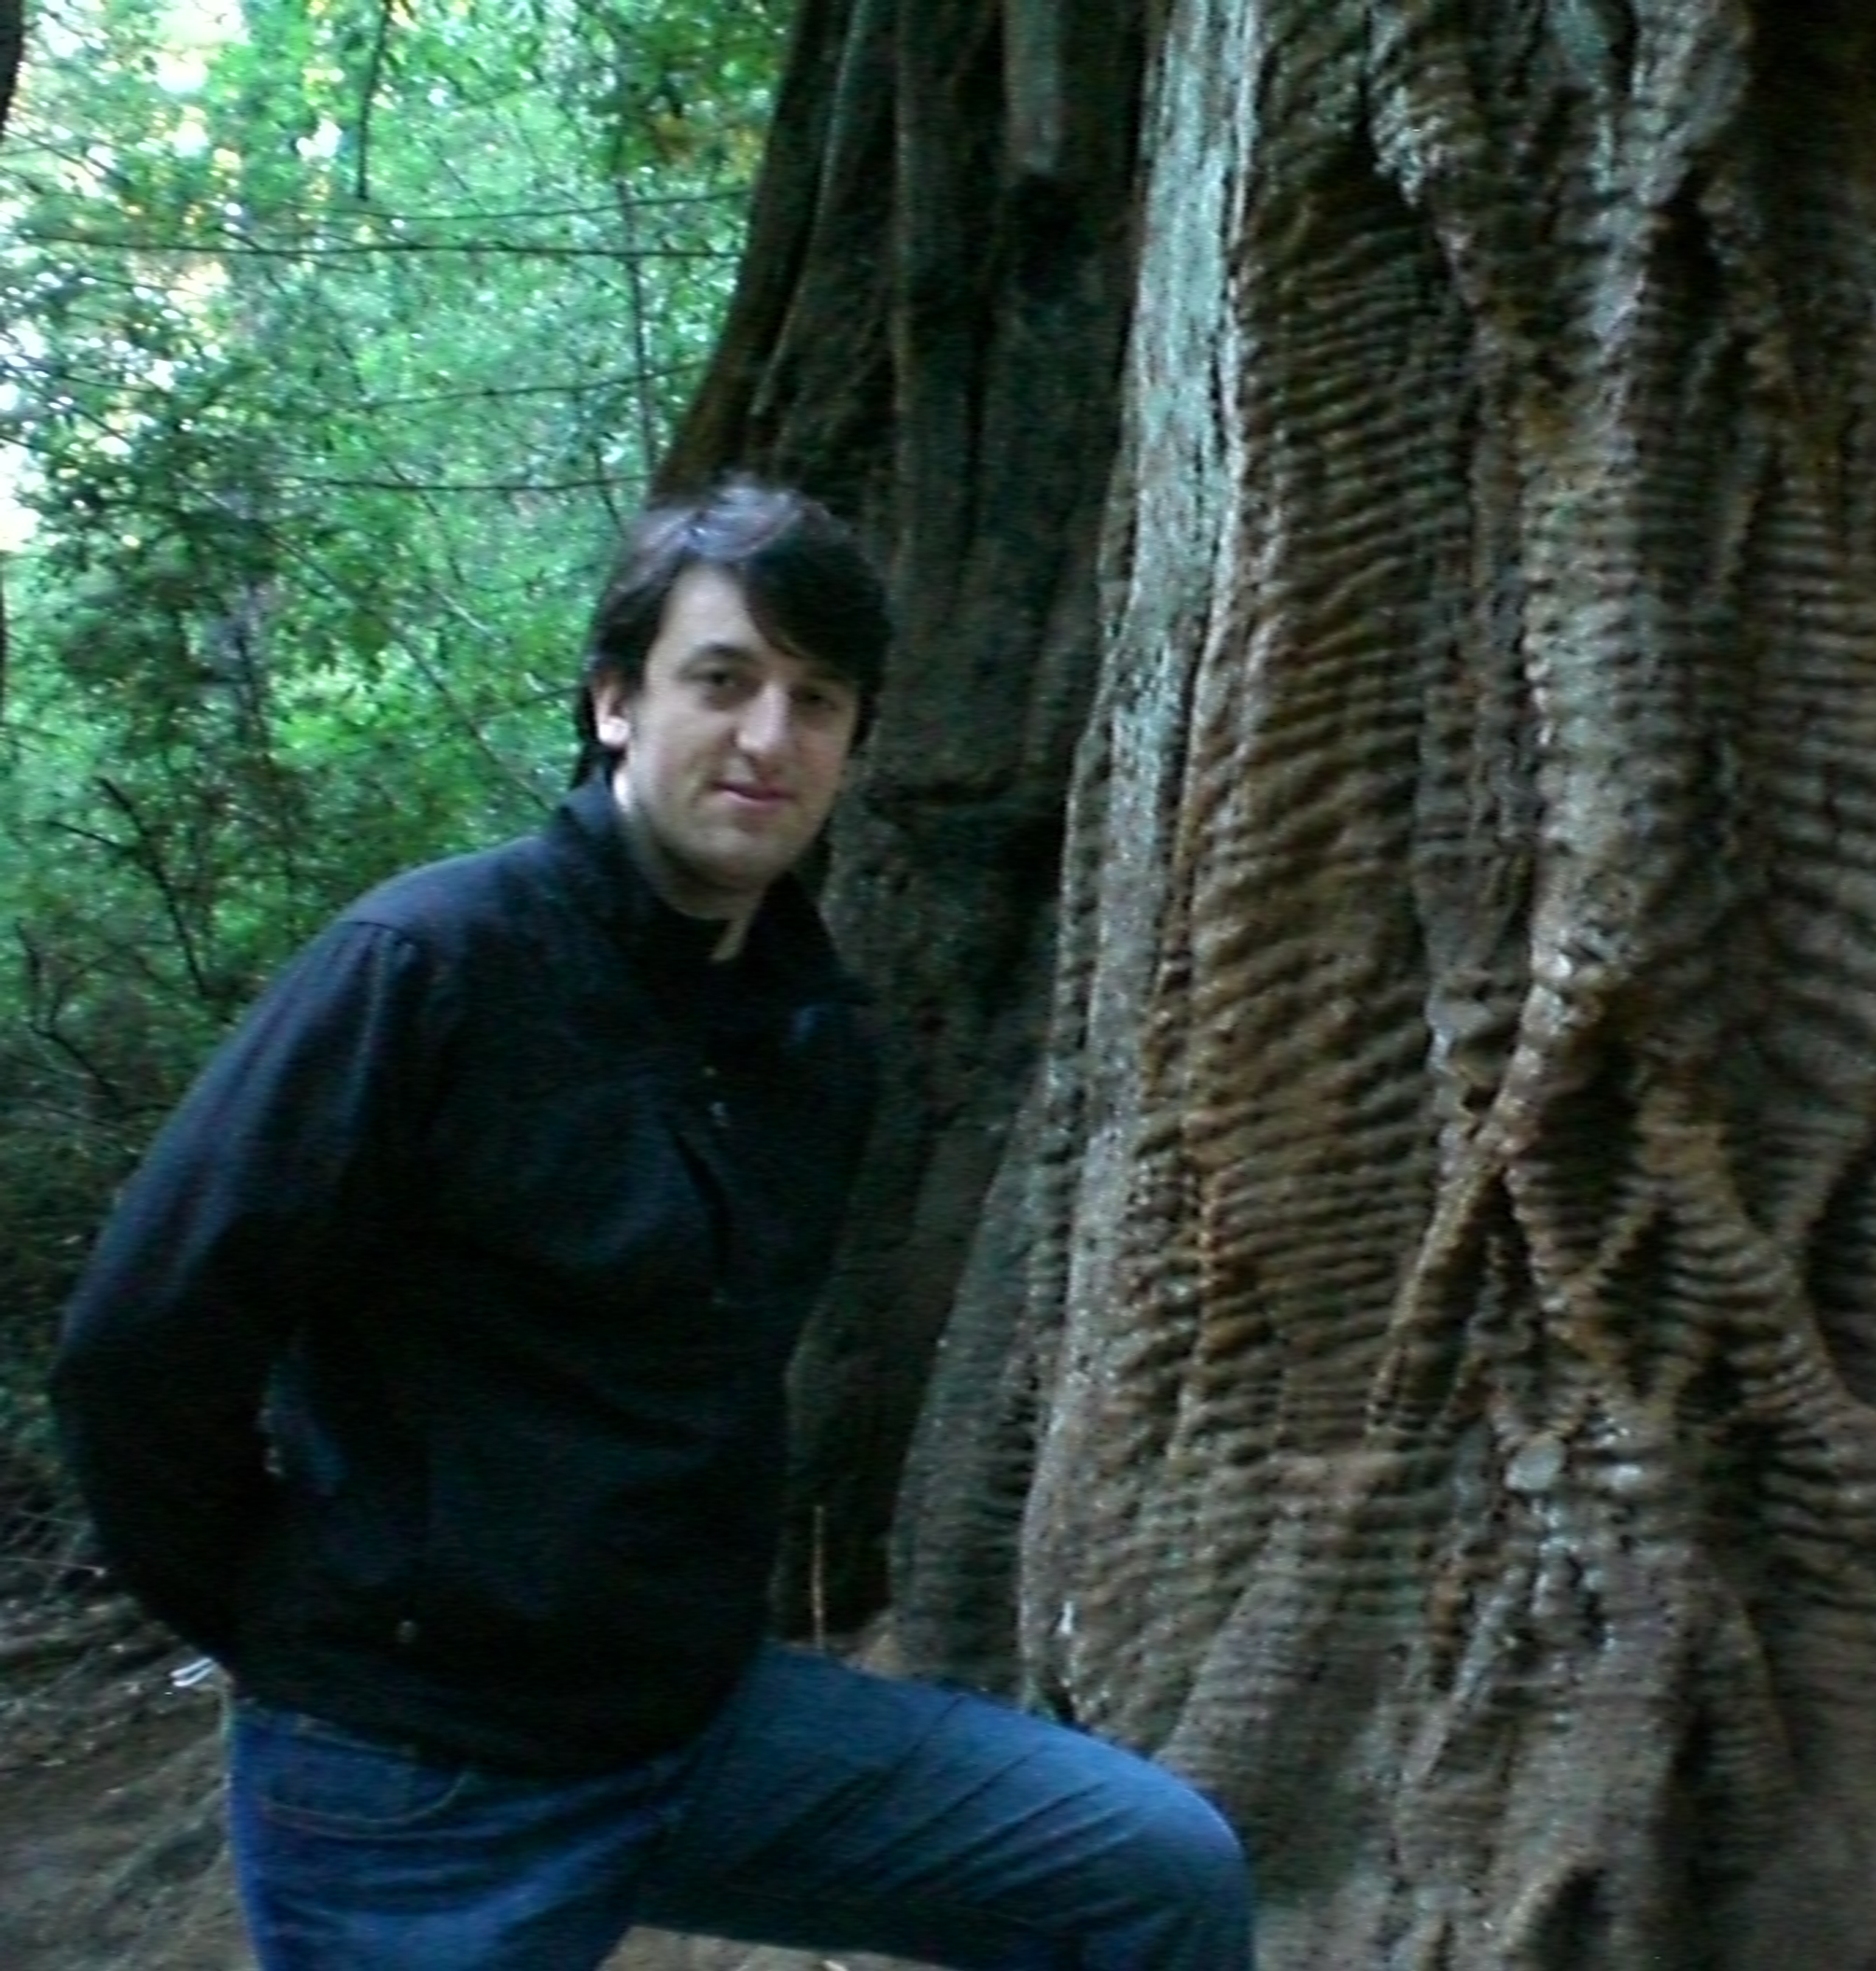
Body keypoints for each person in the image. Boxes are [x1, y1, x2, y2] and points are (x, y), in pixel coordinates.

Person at [49, 478, 1255, 1970]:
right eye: (723, 681)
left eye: (817, 700)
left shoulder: (809, 1035)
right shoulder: (427, 967)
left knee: (1149, 1872)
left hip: (696, 1730)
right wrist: (316, 1640)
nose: (769, 737)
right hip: (417, 1783)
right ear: (618, 702)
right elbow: (136, 1349)